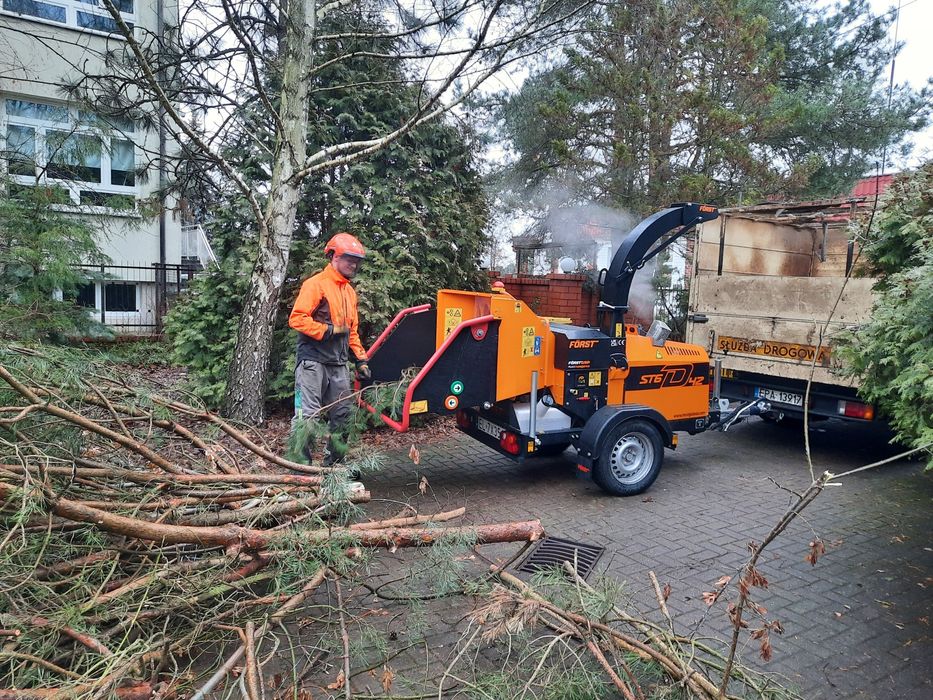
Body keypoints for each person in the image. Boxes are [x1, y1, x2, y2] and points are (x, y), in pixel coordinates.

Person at [288, 232, 370, 465]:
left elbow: (351, 331)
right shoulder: (316, 285)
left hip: (338, 364)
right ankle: (300, 469)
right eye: (349, 259)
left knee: (342, 415)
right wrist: (328, 330)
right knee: (308, 416)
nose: (353, 264)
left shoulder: (349, 292)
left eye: (357, 260)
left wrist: (361, 360)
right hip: (312, 362)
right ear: (333, 256)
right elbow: (297, 319)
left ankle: (334, 465)